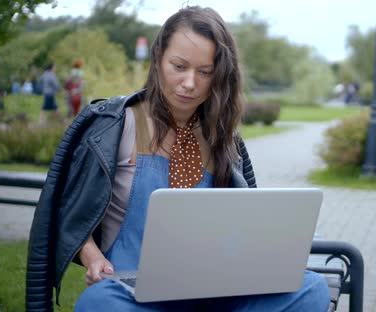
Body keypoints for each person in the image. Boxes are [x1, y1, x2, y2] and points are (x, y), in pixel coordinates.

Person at [25, 6, 329, 312]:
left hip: (214, 290)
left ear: (219, 75)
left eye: (205, 72)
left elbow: (246, 230)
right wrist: (92, 257)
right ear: (158, 59)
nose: (189, 83)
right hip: (134, 292)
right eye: (179, 66)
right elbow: (67, 214)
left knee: (312, 288)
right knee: (97, 303)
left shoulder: (223, 139)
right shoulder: (116, 126)